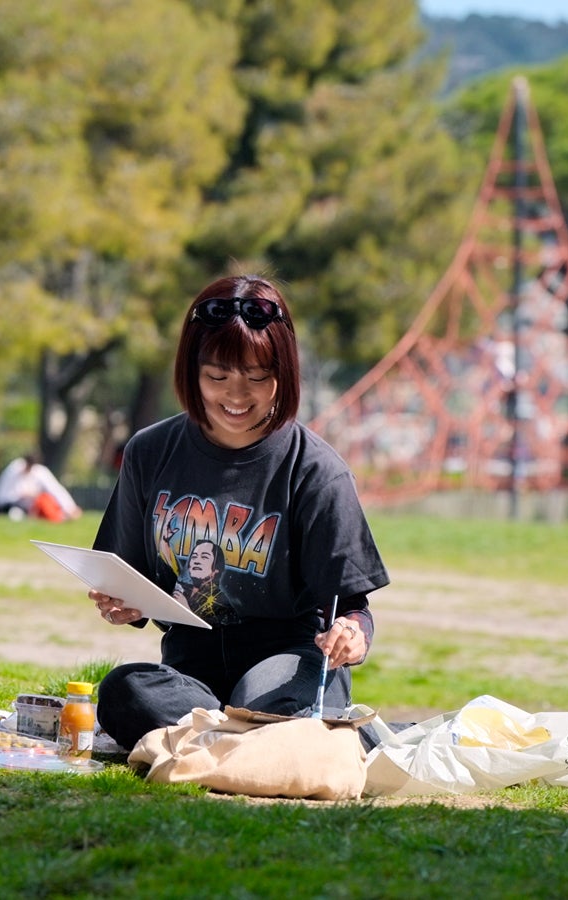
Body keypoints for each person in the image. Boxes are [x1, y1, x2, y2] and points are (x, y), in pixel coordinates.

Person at [87, 274, 389, 751]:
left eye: (257, 377)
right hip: (189, 672)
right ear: (192, 371)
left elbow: (353, 606)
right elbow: (131, 578)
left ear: (283, 375)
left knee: (264, 703)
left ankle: (232, 735)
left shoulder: (316, 470)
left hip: (287, 662)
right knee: (124, 691)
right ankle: (257, 740)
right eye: (217, 376)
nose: (236, 395)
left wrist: (353, 634)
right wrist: (122, 605)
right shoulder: (149, 452)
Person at [0, 454, 82, 521]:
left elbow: (55, 489)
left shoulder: (40, 472)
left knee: (45, 500)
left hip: (30, 505)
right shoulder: (14, 469)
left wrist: (70, 507)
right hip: (9, 504)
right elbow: (3, 495)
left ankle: (60, 515)